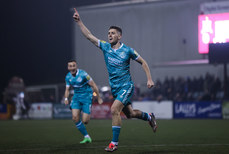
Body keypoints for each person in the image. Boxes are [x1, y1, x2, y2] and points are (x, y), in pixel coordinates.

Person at [73, 9, 157, 152]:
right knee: (130, 114)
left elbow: (143, 62)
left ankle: (114, 144)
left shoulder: (128, 50)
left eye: (113, 33)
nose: (109, 35)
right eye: (108, 33)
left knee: (114, 110)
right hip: (116, 88)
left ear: (120, 36)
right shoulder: (106, 47)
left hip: (127, 86)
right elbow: (89, 36)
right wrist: (79, 22)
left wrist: (149, 79)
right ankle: (149, 117)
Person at [64, 60, 103, 144]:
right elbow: (67, 89)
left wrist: (99, 97)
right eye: (70, 66)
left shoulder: (84, 74)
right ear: (68, 67)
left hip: (86, 97)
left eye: (73, 66)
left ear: (76, 66)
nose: (72, 68)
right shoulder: (68, 77)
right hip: (76, 98)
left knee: (85, 121)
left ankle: (86, 112)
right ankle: (87, 137)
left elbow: (94, 85)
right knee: (75, 118)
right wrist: (66, 98)